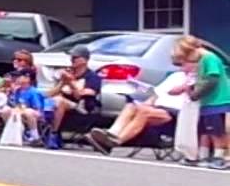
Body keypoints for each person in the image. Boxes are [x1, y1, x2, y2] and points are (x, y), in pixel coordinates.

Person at [87, 70, 187, 155]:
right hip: (157, 108)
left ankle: (117, 141)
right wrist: (146, 104)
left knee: (144, 112)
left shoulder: (194, 81)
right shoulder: (176, 75)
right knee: (132, 106)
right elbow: (156, 95)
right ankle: (111, 133)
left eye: (188, 62)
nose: (184, 65)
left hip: (175, 114)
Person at [170, 36, 230, 168]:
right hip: (207, 101)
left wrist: (195, 94)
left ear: (192, 50)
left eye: (187, 58)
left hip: (217, 100)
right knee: (205, 129)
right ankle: (204, 156)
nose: (187, 61)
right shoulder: (204, 60)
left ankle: (219, 157)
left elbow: (211, 79)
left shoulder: (210, 59)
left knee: (216, 131)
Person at [46, 44, 101, 149]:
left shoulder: (92, 77)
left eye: (75, 57)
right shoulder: (67, 73)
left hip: (81, 106)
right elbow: (50, 93)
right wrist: (62, 82)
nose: (72, 60)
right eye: (71, 57)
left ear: (84, 60)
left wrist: (70, 82)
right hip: (60, 103)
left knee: (59, 101)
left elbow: (79, 95)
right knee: (50, 100)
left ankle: (53, 133)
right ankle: (36, 132)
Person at [7, 71, 46, 145]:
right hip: (21, 111)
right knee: (6, 110)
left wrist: (22, 110)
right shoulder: (17, 91)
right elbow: (16, 104)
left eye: (19, 77)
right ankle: (13, 133)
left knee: (28, 112)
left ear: (27, 79)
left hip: (37, 113)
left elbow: (37, 108)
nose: (16, 79)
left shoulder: (34, 91)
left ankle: (35, 137)